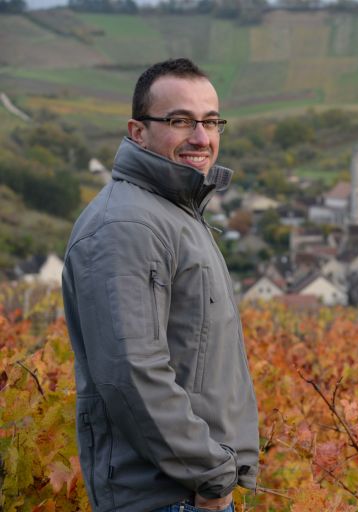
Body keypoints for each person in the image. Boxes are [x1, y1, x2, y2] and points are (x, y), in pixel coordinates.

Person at [62, 58, 260, 512]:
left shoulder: (175, 214)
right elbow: (132, 374)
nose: (201, 138)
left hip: (186, 491)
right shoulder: (128, 226)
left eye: (211, 122)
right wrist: (211, 477)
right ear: (137, 131)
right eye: (179, 121)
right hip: (165, 497)